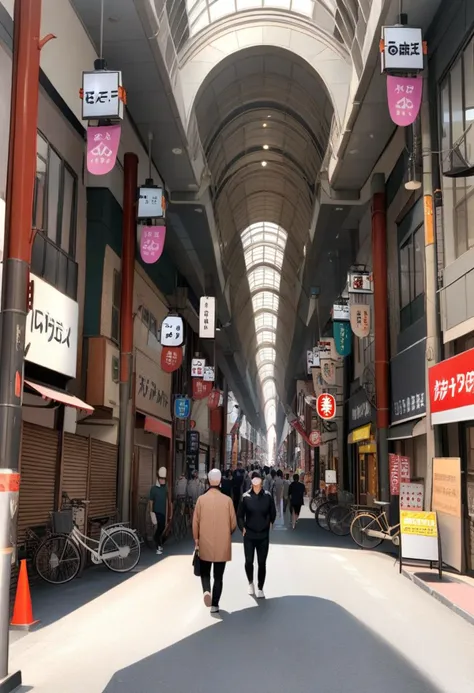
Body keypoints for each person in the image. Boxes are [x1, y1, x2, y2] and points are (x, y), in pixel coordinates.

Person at [193, 469, 237, 614]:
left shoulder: (201, 500)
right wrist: (226, 533)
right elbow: (233, 524)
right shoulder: (228, 501)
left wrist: (197, 540)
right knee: (218, 576)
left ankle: (206, 590)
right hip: (222, 544)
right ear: (220, 482)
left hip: (205, 542)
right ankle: (215, 605)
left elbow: (195, 523)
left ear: (208, 481)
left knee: (205, 572)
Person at [238, 470, 276, 599]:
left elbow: (273, 511)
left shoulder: (267, 496)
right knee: (249, 561)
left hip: (263, 535)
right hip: (249, 534)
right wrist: (242, 527)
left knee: (262, 562)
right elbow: (240, 515)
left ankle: (260, 587)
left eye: (258, 478)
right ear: (251, 481)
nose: (255, 480)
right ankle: (250, 582)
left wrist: (271, 522)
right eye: (253, 478)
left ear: (261, 480)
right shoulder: (245, 497)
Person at [149, 467, 171, 555]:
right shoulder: (153, 489)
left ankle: (157, 540)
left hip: (163, 511)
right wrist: (151, 512)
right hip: (156, 511)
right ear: (158, 479)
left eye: (164, 479)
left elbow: (168, 499)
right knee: (160, 527)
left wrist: (169, 511)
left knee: (162, 527)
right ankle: (158, 545)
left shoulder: (165, 487)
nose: (163, 480)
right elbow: (151, 501)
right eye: (161, 479)